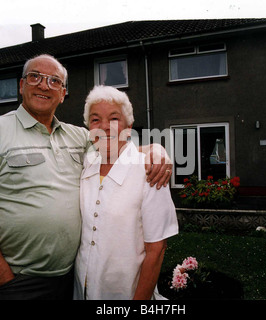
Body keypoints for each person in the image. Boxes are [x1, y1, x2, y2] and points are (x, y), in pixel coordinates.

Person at [0, 54, 172, 300]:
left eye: (54, 81)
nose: (44, 85)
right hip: (17, 280)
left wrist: (155, 150)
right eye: (35, 77)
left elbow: (114, 144)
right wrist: (0, 275)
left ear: (63, 93)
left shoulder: (78, 136)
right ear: (22, 86)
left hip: (71, 277)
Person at [73, 85, 178, 300]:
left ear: (128, 127)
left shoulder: (149, 171)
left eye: (114, 118)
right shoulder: (86, 165)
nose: (104, 127)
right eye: (95, 120)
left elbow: (156, 251)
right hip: (80, 289)